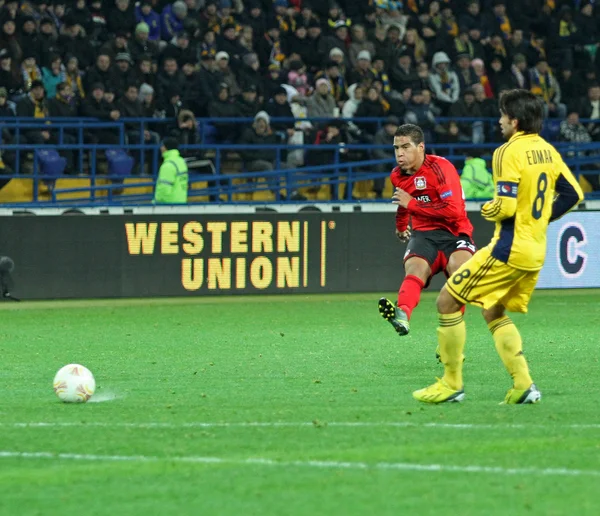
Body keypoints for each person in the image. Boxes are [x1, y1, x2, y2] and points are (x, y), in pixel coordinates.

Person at [412, 89, 584, 405]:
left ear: (514, 120)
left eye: (503, 115)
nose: (499, 120)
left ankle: (451, 385)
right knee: (493, 310)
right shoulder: (546, 150)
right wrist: (541, 217)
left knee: (447, 301)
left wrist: (490, 208)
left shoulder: (507, 151)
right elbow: (574, 194)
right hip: (534, 251)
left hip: (508, 248)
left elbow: (504, 207)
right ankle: (523, 385)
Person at [378, 123, 475, 336]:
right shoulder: (398, 175)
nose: (399, 153)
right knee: (414, 268)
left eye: (405, 147)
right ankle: (401, 314)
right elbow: (403, 203)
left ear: (421, 147)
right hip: (424, 235)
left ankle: (451, 337)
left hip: (455, 233)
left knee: (460, 270)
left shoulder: (441, 168)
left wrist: (413, 204)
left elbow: (453, 211)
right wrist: (401, 227)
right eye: (396, 148)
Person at [154, 137, 188, 204]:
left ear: (166, 148)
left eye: (162, 146)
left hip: (168, 207)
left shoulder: (168, 165)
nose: (161, 148)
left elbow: (164, 190)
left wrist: (156, 203)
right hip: (181, 203)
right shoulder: (181, 161)